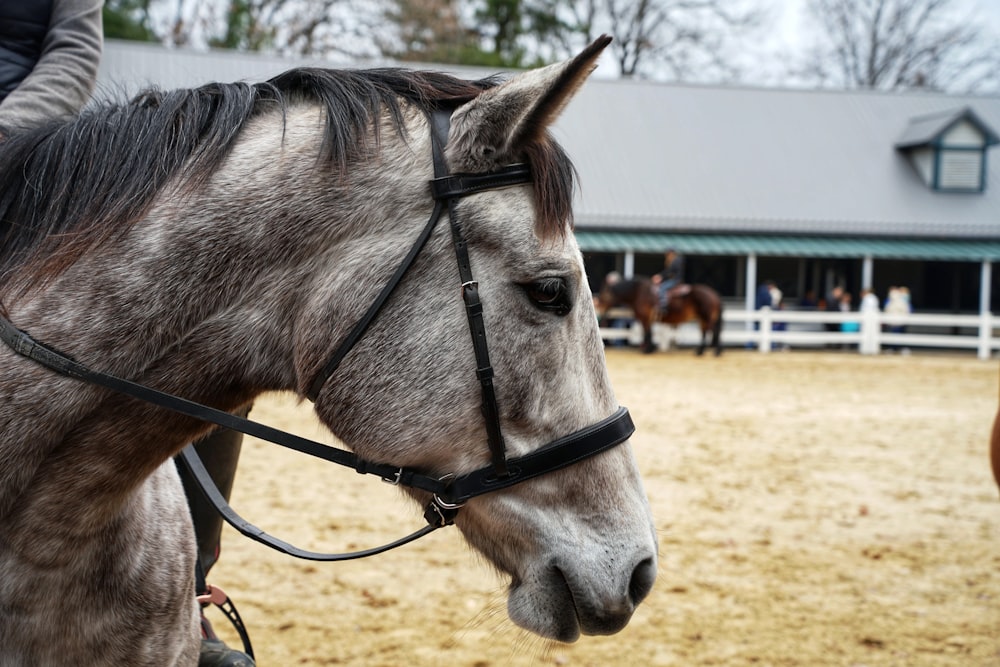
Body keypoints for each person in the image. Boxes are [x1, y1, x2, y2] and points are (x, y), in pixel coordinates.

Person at [0, 4, 252, 664]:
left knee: (204, 331)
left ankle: (190, 596)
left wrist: (5, 132)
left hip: (33, 164)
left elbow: (74, 54)